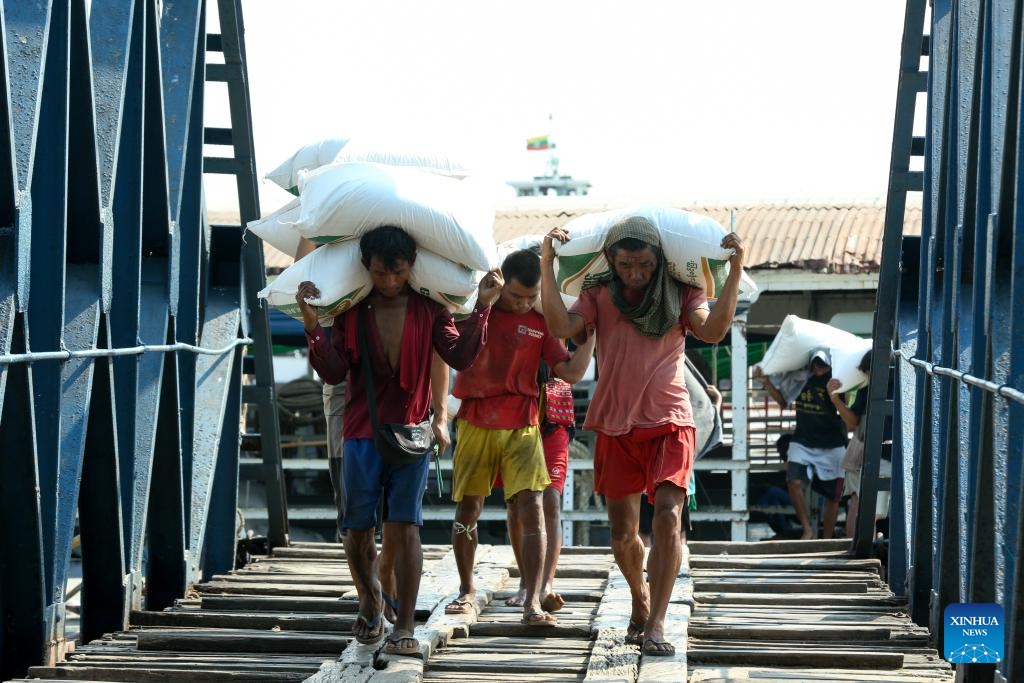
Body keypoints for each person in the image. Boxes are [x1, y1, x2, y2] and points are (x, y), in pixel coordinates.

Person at [540, 216, 745, 656]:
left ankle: (656, 623)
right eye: (627, 264)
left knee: (668, 516)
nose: (636, 273)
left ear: (659, 261)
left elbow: (712, 331)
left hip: (671, 420)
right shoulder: (597, 295)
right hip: (615, 422)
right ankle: (639, 597)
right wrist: (546, 264)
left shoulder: (683, 292)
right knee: (622, 534)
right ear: (612, 262)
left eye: (645, 265)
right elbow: (560, 328)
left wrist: (736, 269)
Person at [297, 225, 502, 656]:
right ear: (366, 268)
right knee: (355, 531)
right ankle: (371, 599)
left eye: (398, 273)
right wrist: (313, 325)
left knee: (405, 527)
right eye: (379, 273)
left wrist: (482, 306)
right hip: (360, 432)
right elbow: (333, 372)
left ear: (411, 268)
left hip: (412, 431)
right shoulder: (351, 310)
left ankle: (404, 625)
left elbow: (460, 356)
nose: (389, 282)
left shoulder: (431, 309)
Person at [444, 249, 594, 627]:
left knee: (533, 508)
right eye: (516, 296)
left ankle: (533, 603)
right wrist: (483, 301)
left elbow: (570, 373)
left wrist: (590, 339)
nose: (524, 303)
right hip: (476, 419)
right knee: (469, 510)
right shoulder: (475, 310)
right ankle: (466, 590)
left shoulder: (540, 320)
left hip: (524, 425)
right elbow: (452, 351)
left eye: (531, 296)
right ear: (500, 282)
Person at [503, 342, 595, 613]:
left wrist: (592, 335)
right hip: (515, 405)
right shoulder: (511, 303)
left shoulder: (560, 308)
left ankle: (546, 584)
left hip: (555, 405)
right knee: (516, 502)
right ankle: (525, 581)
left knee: (551, 500)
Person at [753, 349, 848, 541]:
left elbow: (847, 412)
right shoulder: (801, 378)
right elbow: (782, 400)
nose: (819, 368)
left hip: (832, 443)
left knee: (833, 496)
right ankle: (808, 530)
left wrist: (836, 395)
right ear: (811, 363)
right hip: (803, 440)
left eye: (823, 364)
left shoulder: (838, 381)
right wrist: (766, 382)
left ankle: (827, 539)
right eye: (816, 364)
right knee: (793, 481)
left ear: (830, 364)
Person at [837, 350, 890, 538]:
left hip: (863, 451)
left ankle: (859, 550)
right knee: (870, 511)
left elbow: (852, 423)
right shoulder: (906, 385)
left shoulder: (867, 388)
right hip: (889, 455)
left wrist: (835, 398)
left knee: (860, 506)